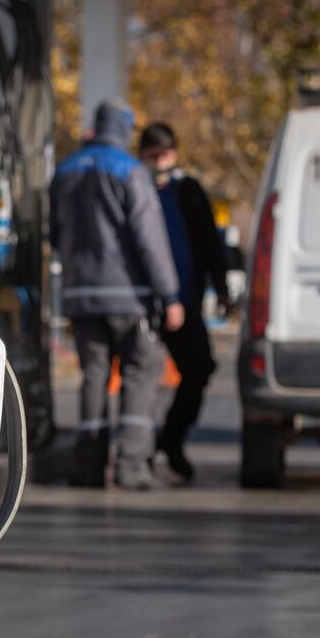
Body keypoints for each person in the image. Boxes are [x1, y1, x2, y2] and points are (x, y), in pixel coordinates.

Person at [50, 99, 184, 490]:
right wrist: (170, 294)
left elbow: (55, 235)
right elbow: (150, 239)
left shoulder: (65, 170)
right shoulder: (131, 171)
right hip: (130, 297)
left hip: (81, 295)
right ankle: (130, 465)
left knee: (93, 374)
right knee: (141, 372)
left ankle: (88, 466)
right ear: (125, 130)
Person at [137, 122, 231, 484]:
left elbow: (209, 240)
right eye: (154, 154)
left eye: (167, 153)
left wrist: (221, 288)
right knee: (140, 377)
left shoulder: (188, 191)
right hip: (143, 302)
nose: (161, 160)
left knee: (200, 368)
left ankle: (171, 439)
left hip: (184, 300)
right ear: (142, 154)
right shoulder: (134, 188)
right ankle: (135, 450)